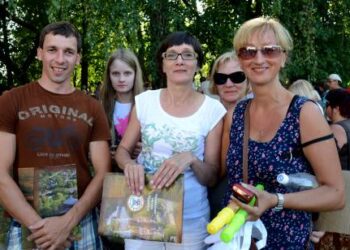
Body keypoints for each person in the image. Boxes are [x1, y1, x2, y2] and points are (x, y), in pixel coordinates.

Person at [222, 16, 345, 249]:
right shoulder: (236, 114)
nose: (259, 59)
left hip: (287, 242)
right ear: (239, 59)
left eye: (269, 50)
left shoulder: (304, 113)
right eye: (248, 51)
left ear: (284, 57)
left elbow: (336, 194)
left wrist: (275, 200)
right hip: (238, 240)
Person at [0, 21, 110, 249]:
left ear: (78, 58)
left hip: (79, 222)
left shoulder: (92, 107)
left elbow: (102, 174)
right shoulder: (11, 100)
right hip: (26, 223)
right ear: (40, 53)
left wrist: (66, 223)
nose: (60, 59)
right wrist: (43, 229)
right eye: (52, 50)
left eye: (68, 52)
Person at [115, 31, 226, 250]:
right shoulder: (145, 102)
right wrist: (129, 165)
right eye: (172, 55)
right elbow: (122, 151)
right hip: (143, 209)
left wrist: (192, 159)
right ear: (163, 64)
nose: (180, 61)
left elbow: (212, 176)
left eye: (187, 55)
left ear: (197, 64)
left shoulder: (213, 110)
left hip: (190, 219)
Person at [207, 51, 249, 218]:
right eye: (221, 78)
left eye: (237, 77)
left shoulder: (256, 114)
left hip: (231, 200)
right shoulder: (207, 112)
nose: (229, 83)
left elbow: (219, 170)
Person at [313, 88, 350, 249]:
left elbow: (324, 160)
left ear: (335, 108)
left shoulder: (338, 129)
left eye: (327, 104)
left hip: (339, 190)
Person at [100, 48, 144, 171]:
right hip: (111, 176)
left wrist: (145, 149)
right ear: (109, 75)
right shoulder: (101, 107)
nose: (121, 79)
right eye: (115, 73)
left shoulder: (147, 105)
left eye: (127, 73)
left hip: (142, 176)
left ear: (135, 74)